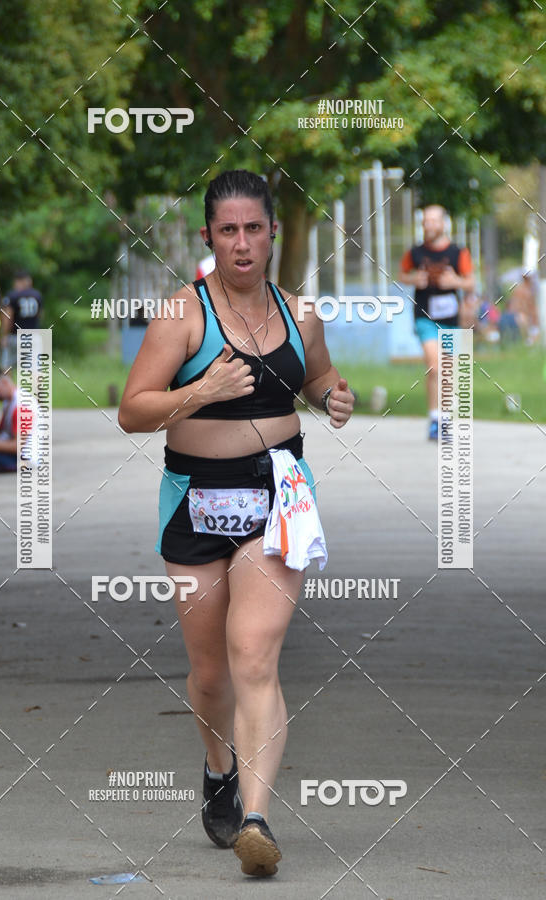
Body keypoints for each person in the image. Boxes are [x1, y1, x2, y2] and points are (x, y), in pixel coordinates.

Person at [119, 169, 354, 878]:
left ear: (273, 232)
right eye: (229, 230)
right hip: (196, 500)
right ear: (208, 237)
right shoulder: (182, 314)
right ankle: (218, 766)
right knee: (211, 671)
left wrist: (331, 398)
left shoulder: (299, 311)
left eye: (255, 228)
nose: (243, 243)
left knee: (254, 654)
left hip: (279, 498)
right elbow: (133, 410)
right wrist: (202, 390)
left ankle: (255, 818)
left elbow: (317, 378)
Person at [399, 205, 475, 439]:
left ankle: (443, 419)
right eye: (426, 221)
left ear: (443, 224)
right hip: (425, 317)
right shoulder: (415, 253)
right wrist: (415, 279)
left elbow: (470, 283)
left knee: (447, 370)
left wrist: (455, 281)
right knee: (434, 365)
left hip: (451, 319)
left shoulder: (457, 252)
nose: (429, 225)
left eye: (433, 221)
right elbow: (401, 274)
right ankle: (434, 419)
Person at [0, 269, 43, 369]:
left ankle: (10, 385)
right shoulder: (37, 295)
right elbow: (40, 315)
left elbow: (7, 317)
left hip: (16, 336)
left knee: (5, 367)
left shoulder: (12, 295)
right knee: (34, 368)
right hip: (34, 336)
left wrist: (4, 335)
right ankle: (35, 385)